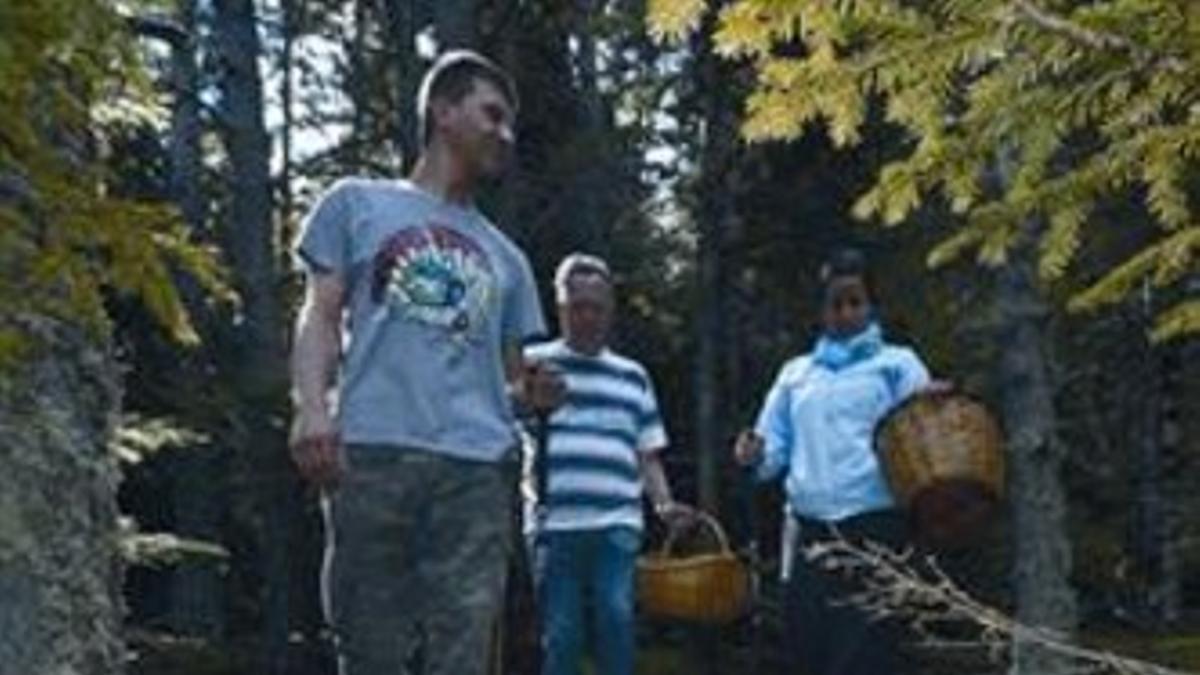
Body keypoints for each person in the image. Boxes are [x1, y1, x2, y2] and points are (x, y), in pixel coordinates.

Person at [289, 50, 563, 675]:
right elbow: (320, 314)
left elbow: (513, 382)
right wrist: (311, 408)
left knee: (463, 656)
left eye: (510, 123)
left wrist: (536, 392)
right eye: (492, 115)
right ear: (443, 111)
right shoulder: (355, 204)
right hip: (372, 456)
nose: (506, 134)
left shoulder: (508, 259)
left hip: (476, 474)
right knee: (370, 651)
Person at [733, 248, 937, 675]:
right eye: (835, 303)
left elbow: (924, 443)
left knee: (869, 653)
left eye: (855, 302)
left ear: (871, 306)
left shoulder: (898, 365)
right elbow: (772, 451)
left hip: (876, 526)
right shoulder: (796, 373)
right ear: (821, 310)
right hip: (811, 532)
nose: (845, 313)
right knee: (809, 646)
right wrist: (753, 453)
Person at [524, 253, 693, 675]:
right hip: (553, 522)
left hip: (617, 521)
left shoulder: (632, 375)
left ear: (611, 310)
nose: (587, 317)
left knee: (616, 621)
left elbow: (647, 452)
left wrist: (664, 504)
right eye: (577, 307)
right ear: (559, 306)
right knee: (561, 635)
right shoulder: (532, 365)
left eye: (596, 308)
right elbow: (500, 428)